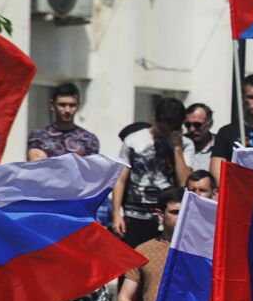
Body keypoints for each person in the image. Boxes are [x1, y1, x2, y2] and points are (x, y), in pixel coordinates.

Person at [113, 97, 191, 246]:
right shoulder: (133, 140)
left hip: (166, 217)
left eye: (171, 129)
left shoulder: (186, 144)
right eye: (162, 128)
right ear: (154, 117)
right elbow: (120, 179)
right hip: (134, 214)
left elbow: (184, 182)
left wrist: (177, 148)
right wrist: (117, 214)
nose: (165, 133)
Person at [27, 82, 100, 160]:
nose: (67, 110)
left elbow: (92, 169)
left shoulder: (88, 139)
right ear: (52, 105)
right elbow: (36, 165)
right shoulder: (38, 137)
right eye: (62, 105)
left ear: (78, 106)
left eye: (72, 105)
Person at [182, 103, 216, 171]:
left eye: (197, 125)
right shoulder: (179, 144)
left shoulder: (220, 145)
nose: (192, 129)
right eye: (188, 125)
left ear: (210, 124)